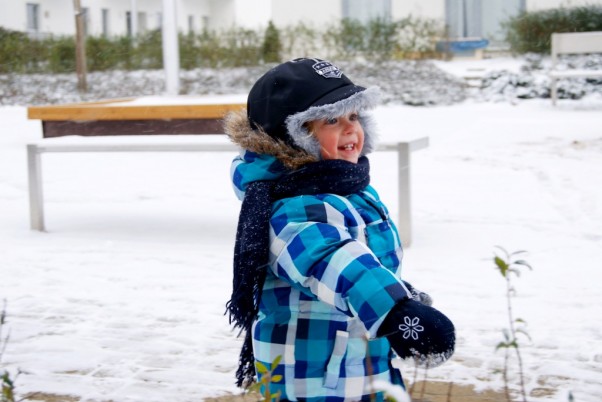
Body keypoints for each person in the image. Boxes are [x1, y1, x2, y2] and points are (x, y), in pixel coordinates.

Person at [225, 58, 455, 401]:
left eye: (354, 116)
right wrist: (395, 311)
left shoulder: (349, 186)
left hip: (360, 362)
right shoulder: (291, 207)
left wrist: (400, 295)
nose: (351, 129)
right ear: (296, 138)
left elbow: (363, 256)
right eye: (332, 119)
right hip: (314, 377)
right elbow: (329, 259)